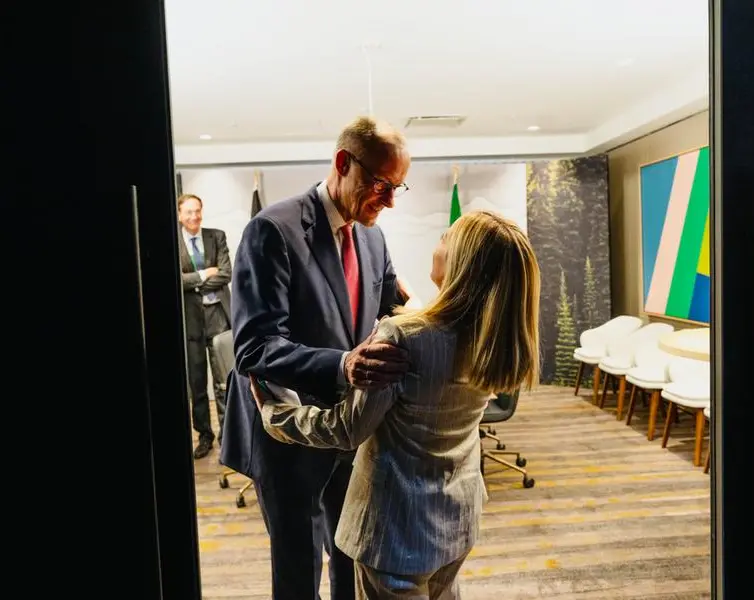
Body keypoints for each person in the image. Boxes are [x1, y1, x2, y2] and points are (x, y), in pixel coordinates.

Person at [251, 210, 541, 599]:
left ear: (462, 262)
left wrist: (276, 415)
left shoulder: (403, 338)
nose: (438, 243)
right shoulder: (494, 338)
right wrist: (415, 310)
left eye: (445, 237)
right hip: (456, 519)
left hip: (395, 533)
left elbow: (346, 429)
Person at [220, 116, 415, 600]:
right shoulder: (272, 230)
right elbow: (255, 346)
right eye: (381, 184)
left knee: (350, 553)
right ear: (343, 163)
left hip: (348, 428)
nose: (389, 201)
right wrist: (343, 365)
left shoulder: (372, 237)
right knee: (298, 568)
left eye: (397, 188)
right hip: (287, 433)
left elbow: (388, 305)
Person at [177, 193, 232, 459]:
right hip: (190, 321)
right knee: (197, 384)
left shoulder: (216, 236)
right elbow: (177, 280)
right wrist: (203, 274)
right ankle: (205, 436)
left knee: (224, 382)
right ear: (179, 215)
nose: (194, 216)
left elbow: (226, 274)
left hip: (218, 316)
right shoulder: (173, 240)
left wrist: (193, 283)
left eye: (197, 210)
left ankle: (227, 437)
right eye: (188, 212)